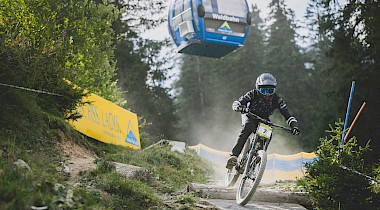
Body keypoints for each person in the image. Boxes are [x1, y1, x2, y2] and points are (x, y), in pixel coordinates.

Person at [226, 73, 300, 169]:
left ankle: (255, 161)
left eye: (270, 90)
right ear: (258, 88)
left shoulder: (277, 100)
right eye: (264, 90)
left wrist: (294, 126)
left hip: (263, 119)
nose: (267, 94)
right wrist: (238, 107)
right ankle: (234, 156)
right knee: (248, 127)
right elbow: (238, 102)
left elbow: (288, 116)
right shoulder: (252, 94)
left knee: (268, 135)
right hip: (250, 115)